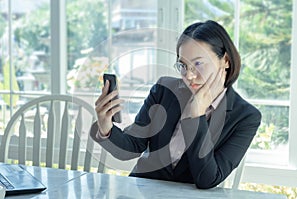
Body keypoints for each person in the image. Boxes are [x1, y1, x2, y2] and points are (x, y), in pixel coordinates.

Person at [90, 20, 262, 189]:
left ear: (225, 60)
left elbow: (207, 179)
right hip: (143, 190)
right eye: (183, 65)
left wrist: (196, 115)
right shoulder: (164, 90)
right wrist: (106, 128)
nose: (189, 76)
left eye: (198, 63)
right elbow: (132, 148)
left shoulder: (246, 117)